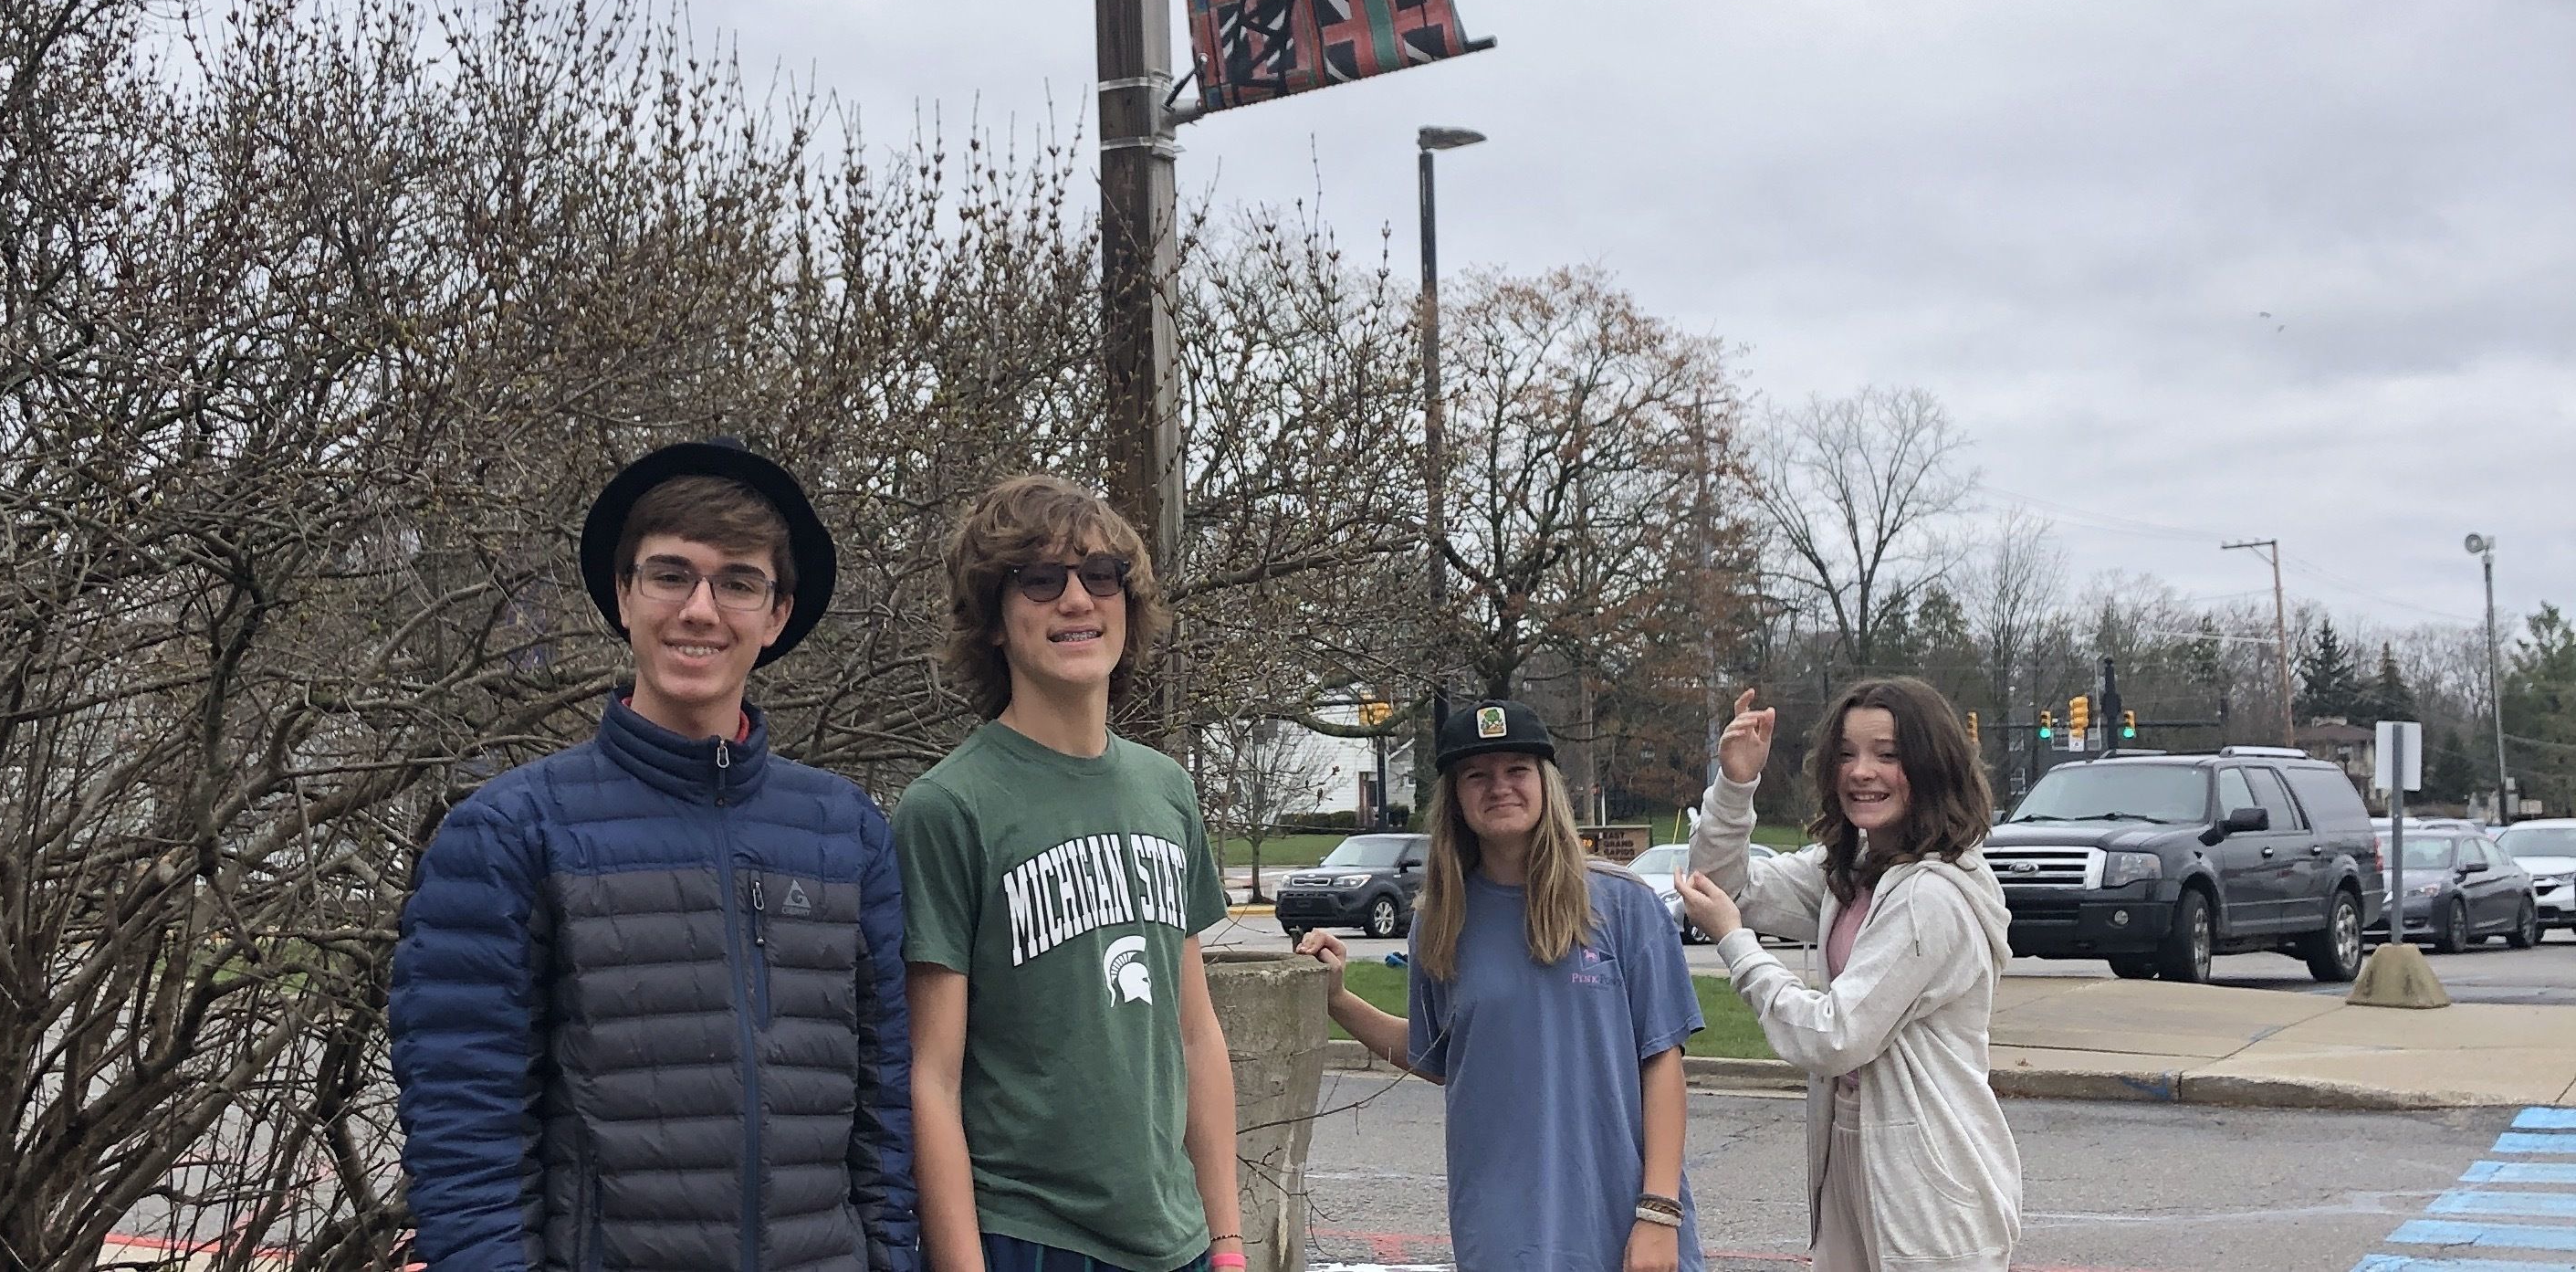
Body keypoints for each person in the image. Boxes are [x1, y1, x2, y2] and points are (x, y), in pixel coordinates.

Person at [391, 439, 917, 1272]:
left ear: (777, 614)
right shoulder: (509, 833)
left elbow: (887, 1122)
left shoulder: (846, 831)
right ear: (624, 594)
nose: (701, 610)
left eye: (738, 582)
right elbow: (466, 1133)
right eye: (672, 575)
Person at [892, 474, 1244, 1272]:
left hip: (1177, 1238)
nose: (1077, 600)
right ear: (992, 619)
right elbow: (932, 1077)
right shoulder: (949, 807)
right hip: (1030, 1237)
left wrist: (1226, 1238)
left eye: (1100, 576)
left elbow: (1196, 1033)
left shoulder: (1168, 790)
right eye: (1041, 580)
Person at [1306, 699, 1706, 1272]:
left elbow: (1662, 1063)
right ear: (1455, 798)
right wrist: (1338, 1000)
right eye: (1477, 775)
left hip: (1624, 1222)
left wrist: (1659, 1212)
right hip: (1500, 1231)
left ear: (1545, 783)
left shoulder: (1625, 905)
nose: (1500, 787)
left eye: (1517, 770)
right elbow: (1437, 1053)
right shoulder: (1439, 922)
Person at [1674, 679, 2020, 1272]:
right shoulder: (1857, 871)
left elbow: (1833, 1036)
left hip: (1931, 1182)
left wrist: (1735, 943)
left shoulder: (1930, 899)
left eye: (1887, 755)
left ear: (1932, 764)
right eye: (1846, 754)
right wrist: (1735, 784)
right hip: (1852, 1151)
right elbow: (1720, 885)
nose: (1862, 772)